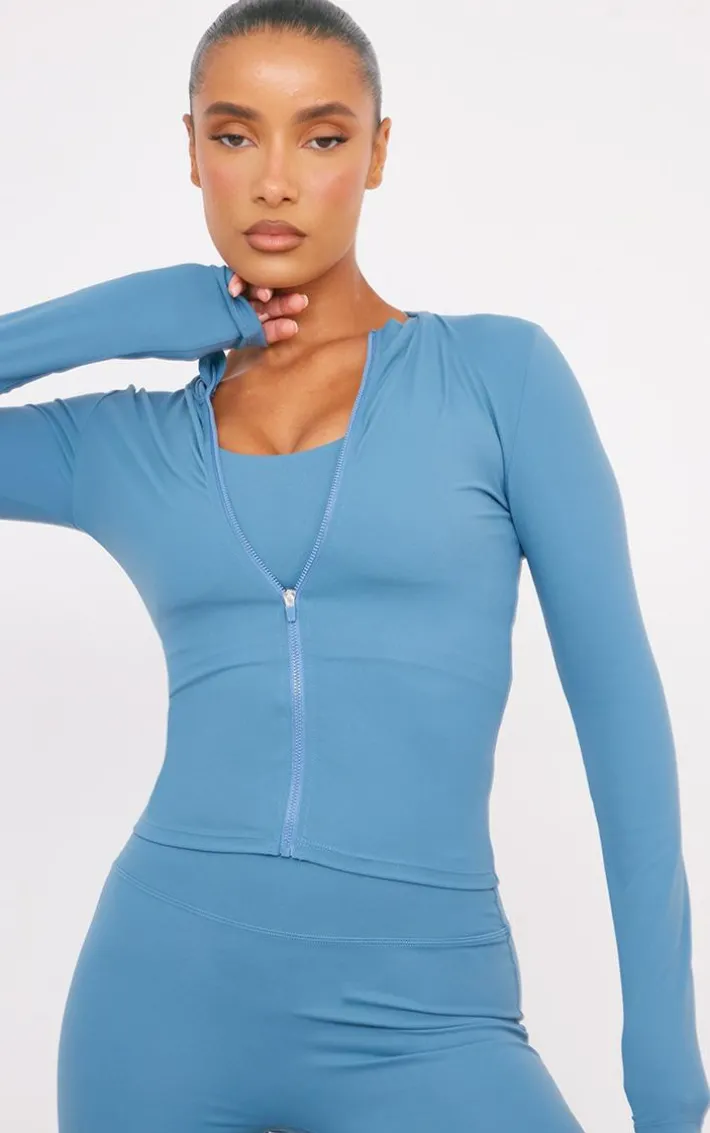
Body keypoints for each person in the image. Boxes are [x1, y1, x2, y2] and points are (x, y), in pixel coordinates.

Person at [1, 1, 707, 1131]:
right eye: (236, 135)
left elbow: (619, 711)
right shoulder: (124, 443)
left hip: (428, 1015)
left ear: (376, 152)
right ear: (191, 149)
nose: (275, 180)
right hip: (160, 1004)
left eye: (321, 136)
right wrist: (118, 314)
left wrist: (664, 1060)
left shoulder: (496, 378)